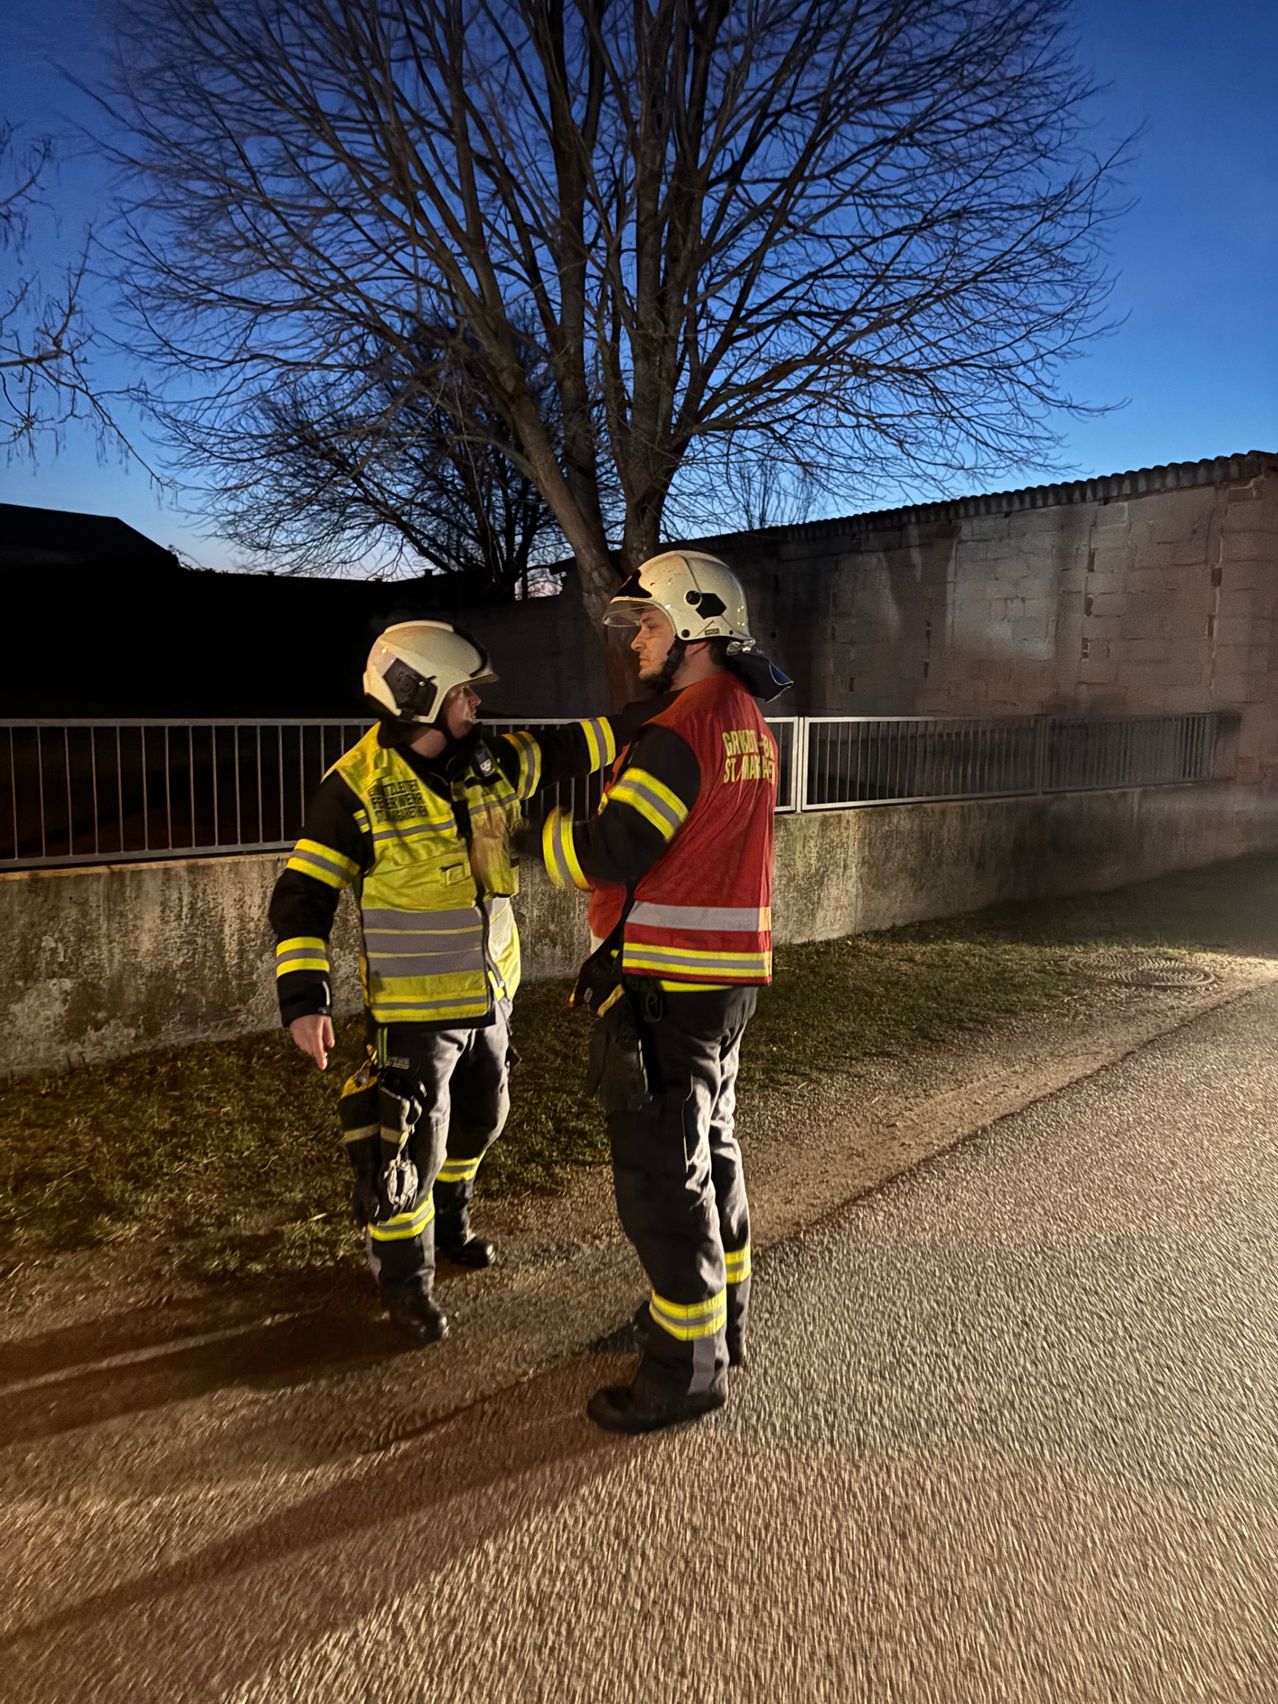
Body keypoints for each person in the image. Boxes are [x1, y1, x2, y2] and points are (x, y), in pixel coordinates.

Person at [269, 619, 641, 1348]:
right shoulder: (353, 790)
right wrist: (304, 1001)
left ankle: (450, 1220)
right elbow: (303, 897)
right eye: (465, 691)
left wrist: (652, 718)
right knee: (408, 1145)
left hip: (492, 994)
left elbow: (571, 747)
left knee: (483, 1117)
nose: (477, 703)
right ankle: (404, 1280)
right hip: (414, 1009)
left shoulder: (490, 762)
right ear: (420, 695)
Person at [536, 551, 791, 1433]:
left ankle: (684, 1372)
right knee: (711, 1152)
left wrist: (536, 840)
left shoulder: (684, 726)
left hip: (669, 985)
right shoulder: (744, 716)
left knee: (659, 1182)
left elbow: (617, 848)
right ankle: (724, 1323)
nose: (637, 639)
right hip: (723, 982)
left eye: (647, 622)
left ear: (690, 629)